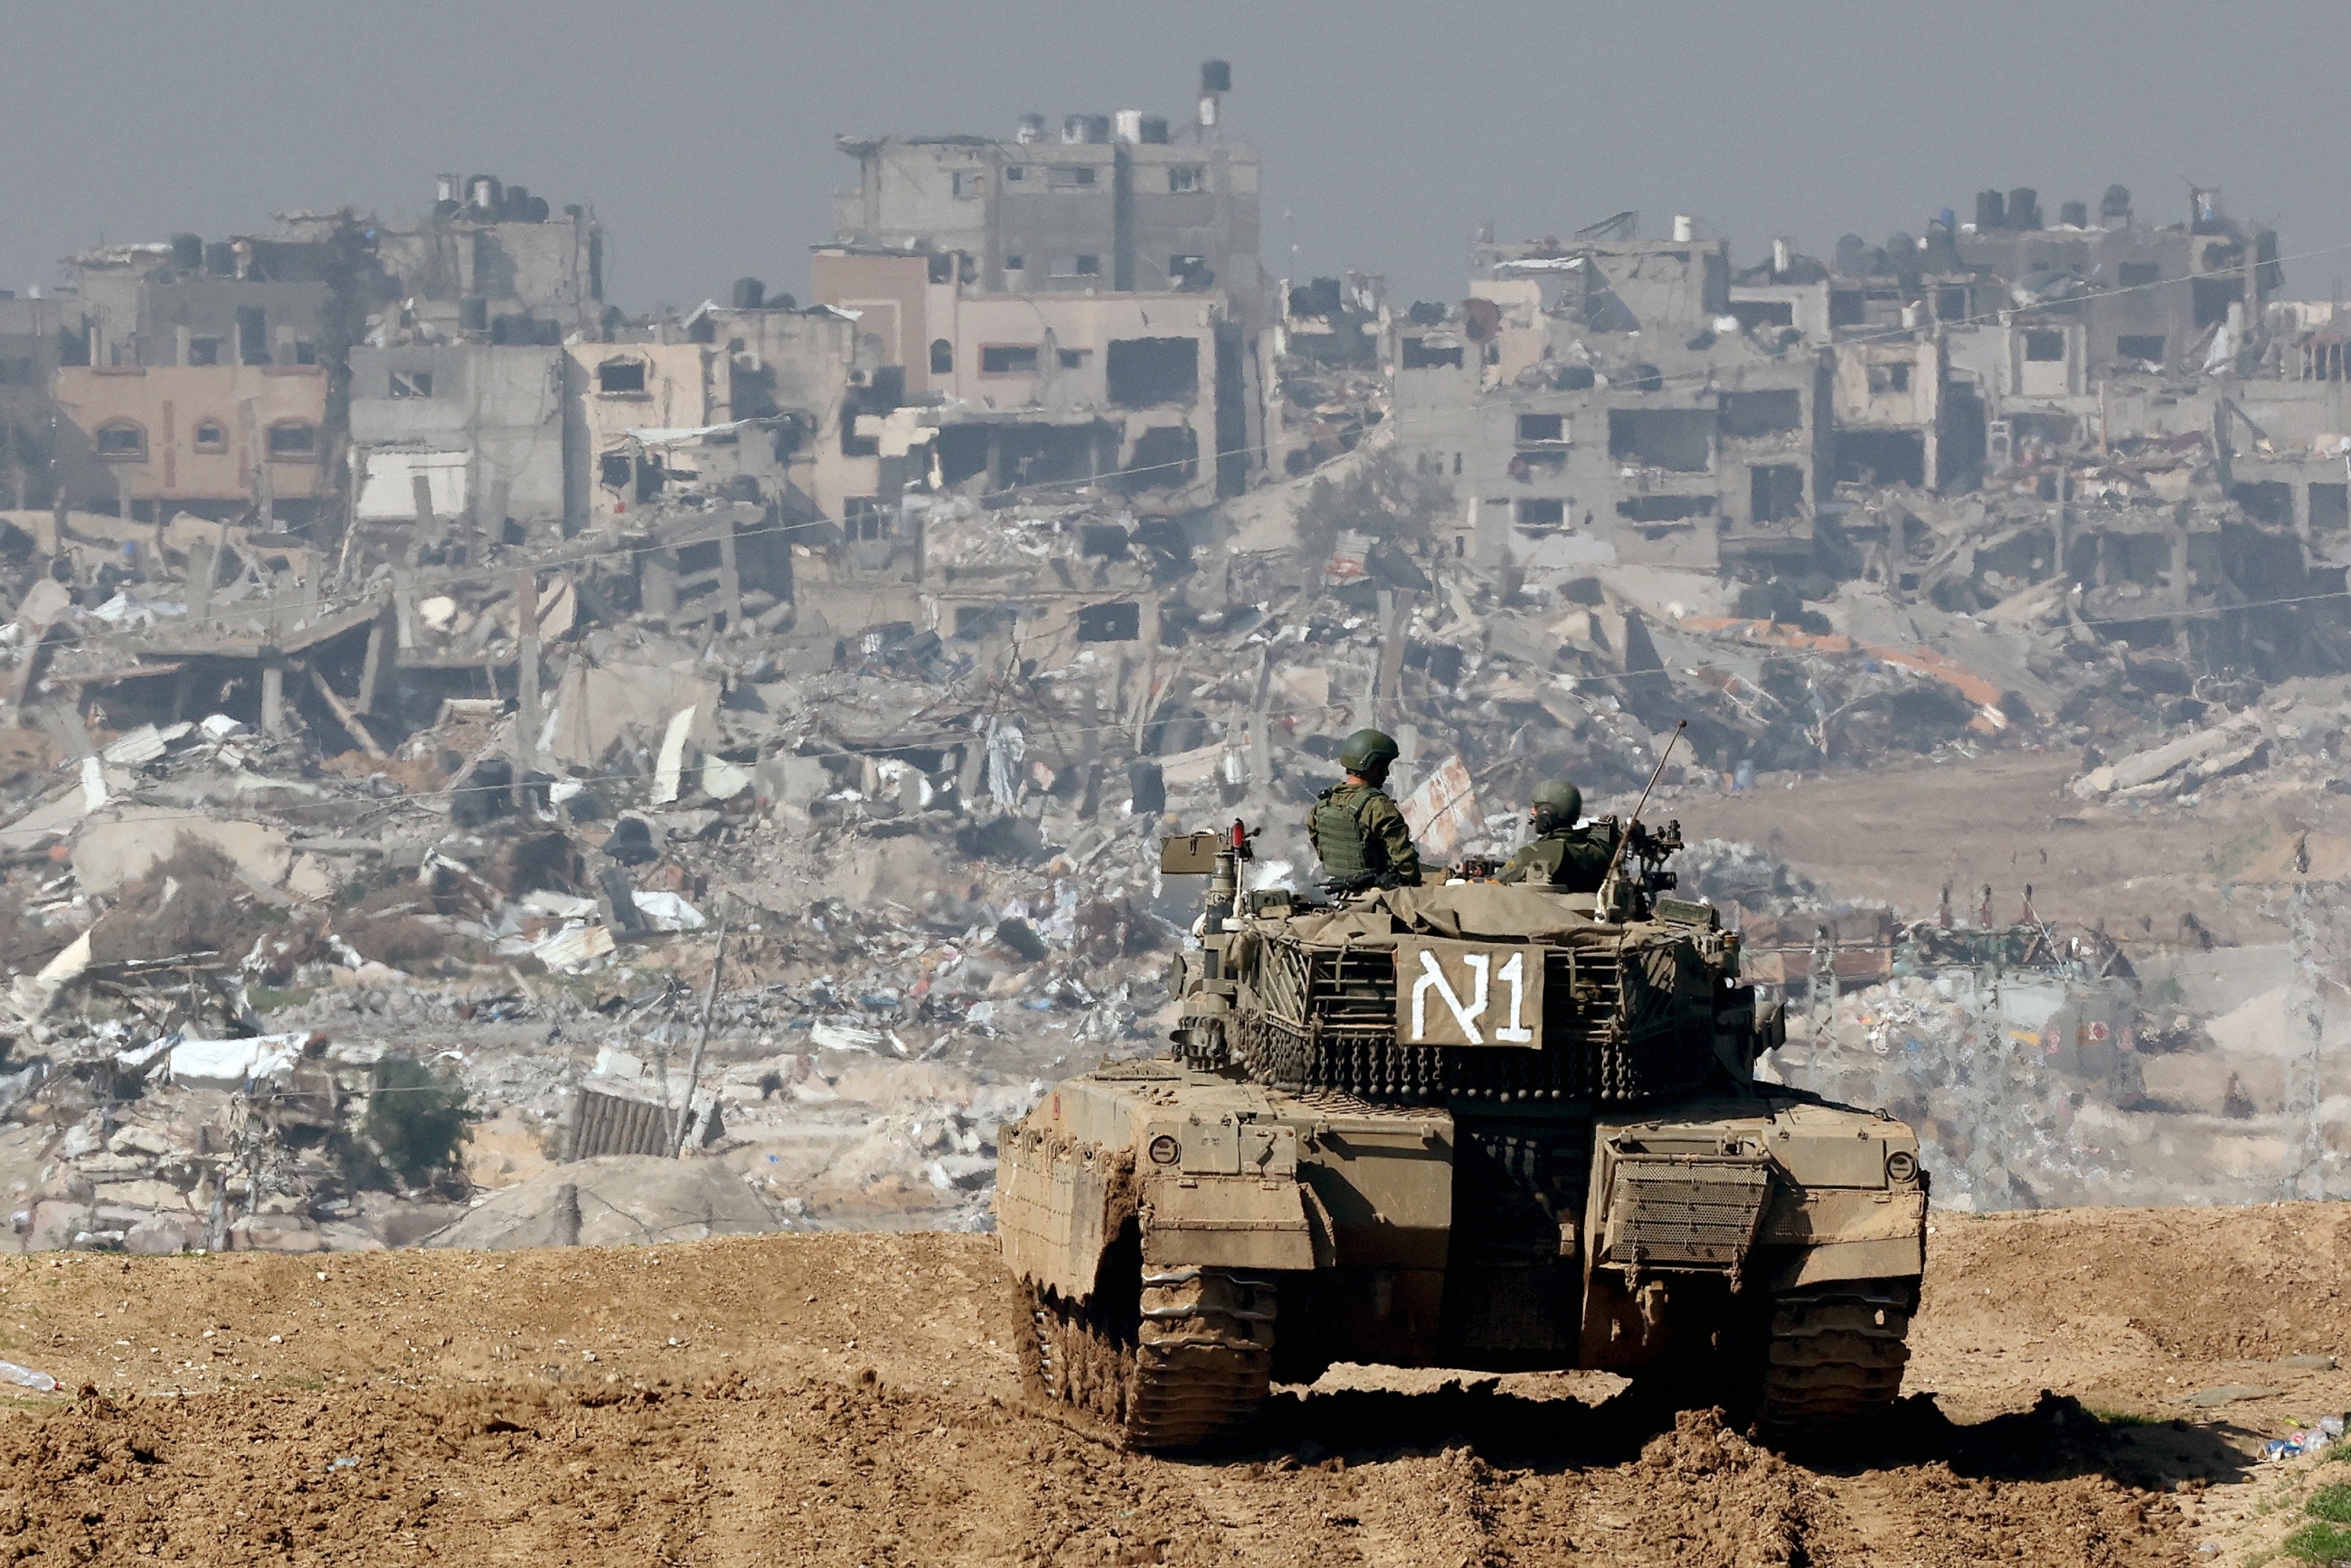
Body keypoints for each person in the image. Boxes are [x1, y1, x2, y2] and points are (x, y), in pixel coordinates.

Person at [1308, 729, 1421, 891]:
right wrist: (1414, 884)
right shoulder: (1378, 806)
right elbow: (1404, 859)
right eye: (1383, 766)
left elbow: (1320, 845)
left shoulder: (1323, 805)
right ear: (1373, 767)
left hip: (1343, 892)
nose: (1387, 773)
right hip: (1379, 894)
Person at [1498, 779, 1618, 892]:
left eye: (1536, 808)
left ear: (1547, 814)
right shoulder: (1599, 852)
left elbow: (1495, 884)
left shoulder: (1531, 855)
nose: (1532, 812)